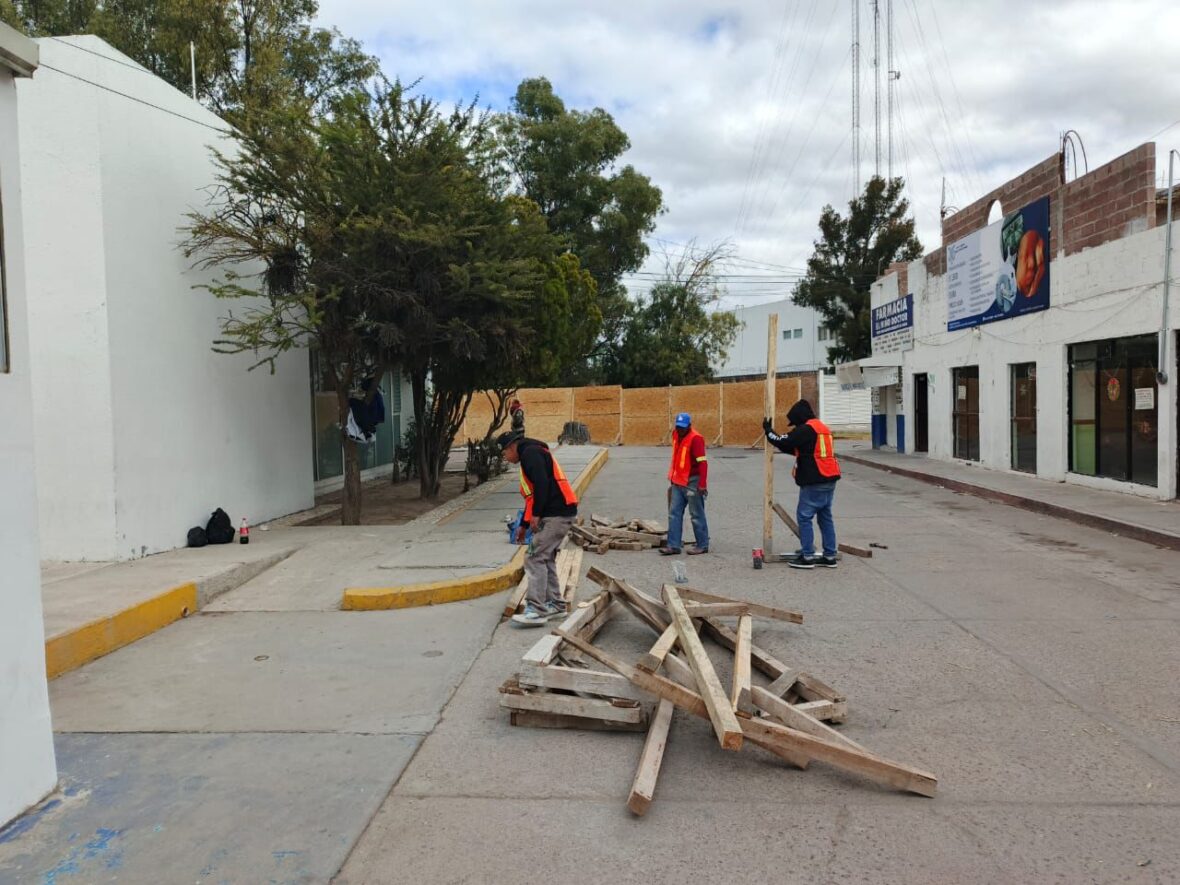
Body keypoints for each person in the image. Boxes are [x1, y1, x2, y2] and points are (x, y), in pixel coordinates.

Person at [497, 429, 579, 626]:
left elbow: (542, 484)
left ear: (511, 447)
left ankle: (537, 610)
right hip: (558, 512)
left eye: (505, 454)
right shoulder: (532, 452)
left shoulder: (530, 454)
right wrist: (524, 525)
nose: (506, 458)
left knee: (534, 556)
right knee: (546, 557)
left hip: (556, 514)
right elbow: (533, 495)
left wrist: (536, 515)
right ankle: (556, 605)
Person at [763, 399, 840, 569]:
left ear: (799, 418)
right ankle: (829, 556)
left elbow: (785, 440)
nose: (794, 427)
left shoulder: (806, 429)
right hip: (829, 478)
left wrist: (768, 431)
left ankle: (807, 556)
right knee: (825, 517)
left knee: (804, 517)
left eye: (795, 423)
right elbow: (798, 448)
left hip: (815, 480)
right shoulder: (822, 428)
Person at [660, 412, 709, 556]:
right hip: (677, 481)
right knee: (674, 513)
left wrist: (702, 484)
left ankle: (702, 545)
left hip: (692, 481)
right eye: (678, 427)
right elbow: (676, 458)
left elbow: (703, 463)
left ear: (689, 426)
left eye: (683, 427)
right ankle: (673, 545)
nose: (680, 430)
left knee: (696, 514)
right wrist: (672, 477)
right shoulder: (675, 434)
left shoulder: (696, 439)